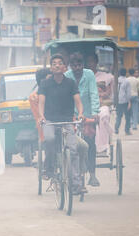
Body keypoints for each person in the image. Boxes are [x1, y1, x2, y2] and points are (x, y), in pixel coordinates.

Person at [37, 54, 86, 195]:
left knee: (73, 149)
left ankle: (76, 183)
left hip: (67, 120)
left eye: (60, 63)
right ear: (51, 68)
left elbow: (78, 101)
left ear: (65, 67)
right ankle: (49, 167)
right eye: (54, 63)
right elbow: (41, 102)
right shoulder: (45, 84)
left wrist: (81, 113)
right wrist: (41, 116)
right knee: (50, 139)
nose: (57, 65)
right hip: (50, 121)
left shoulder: (71, 83)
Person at [65, 52, 100, 187]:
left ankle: (92, 175)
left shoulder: (89, 74)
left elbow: (93, 93)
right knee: (71, 146)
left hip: (88, 114)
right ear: (70, 66)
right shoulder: (67, 76)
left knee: (90, 144)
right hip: (71, 115)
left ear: (82, 65)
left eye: (79, 65)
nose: (77, 68)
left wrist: (95, 112)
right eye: (74, 65)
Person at [116, 68, 132, 135]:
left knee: (119, 116)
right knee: (127, 117)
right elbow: (128, 93)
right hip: (125, 101)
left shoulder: (116, 80)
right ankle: (127, 130)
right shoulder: (127, 81)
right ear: (126, 73)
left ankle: (116, 128)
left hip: (117, 101)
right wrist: (129, 102)